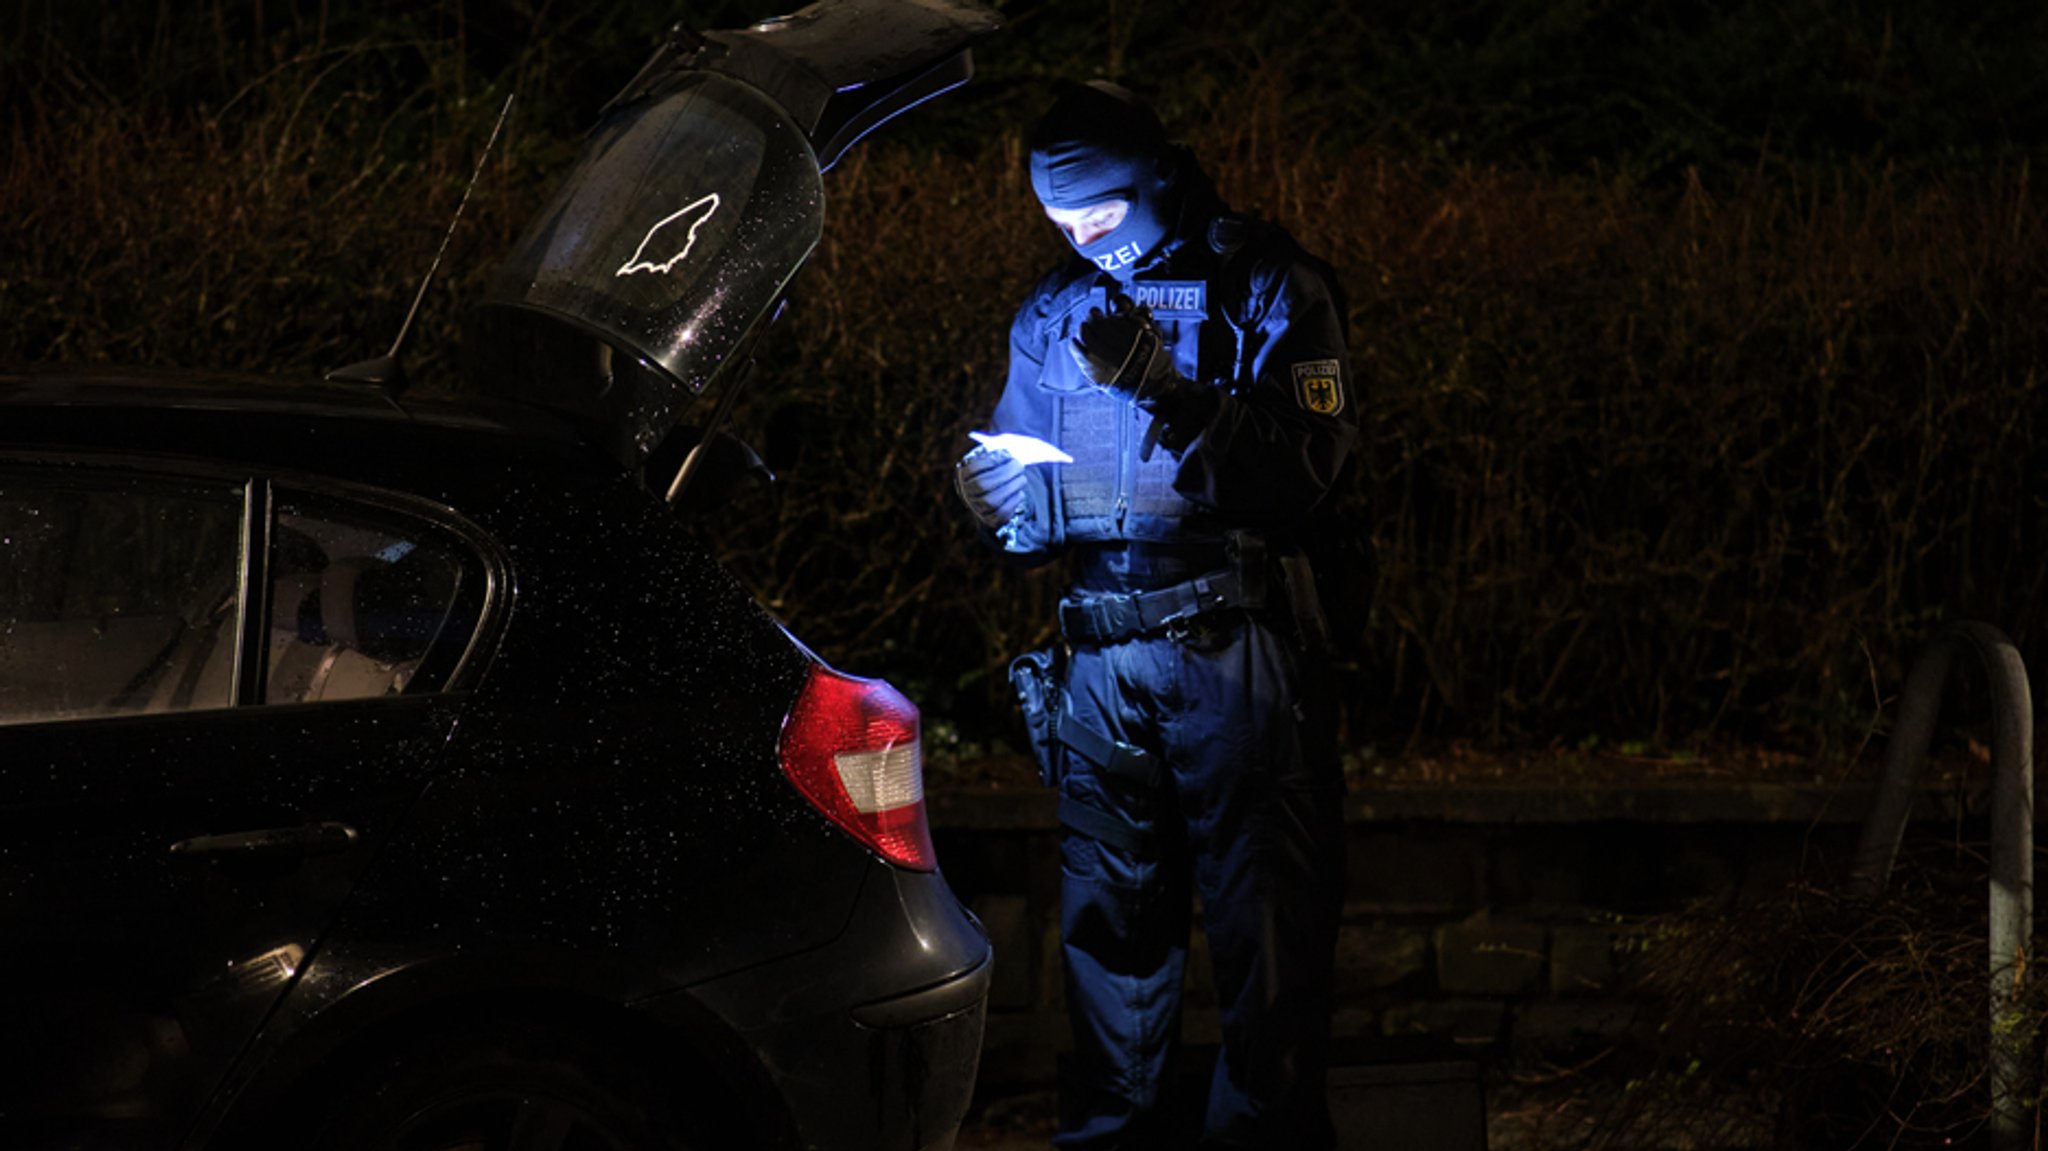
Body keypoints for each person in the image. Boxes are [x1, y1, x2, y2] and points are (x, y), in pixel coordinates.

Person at [954, 80, 1357, 1151]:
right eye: (1061, 222)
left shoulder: (1266, 282)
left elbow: (1305, 475)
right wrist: (997, 503)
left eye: (1103, 213)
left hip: (1234, 651)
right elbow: (1033, 496)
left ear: (1160, 175)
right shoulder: (1051, 309)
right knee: (1107, 940)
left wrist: (1167, 390)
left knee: (1263, 938)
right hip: (1097, 659)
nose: (1087, 240)